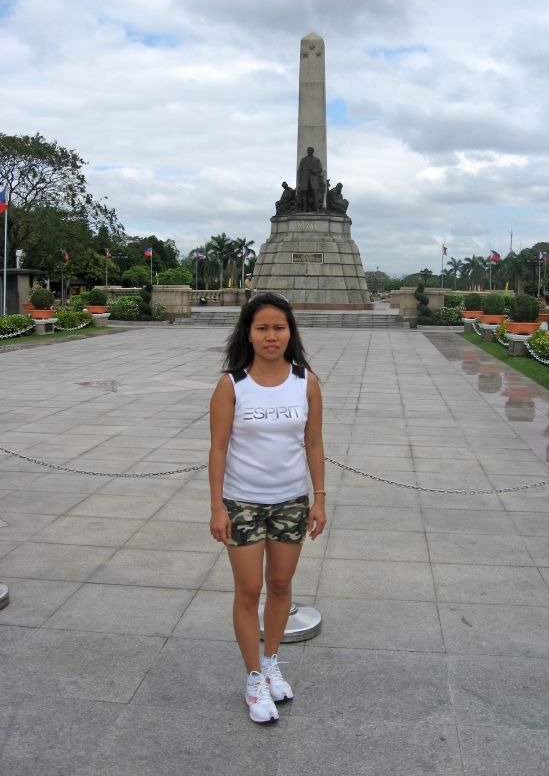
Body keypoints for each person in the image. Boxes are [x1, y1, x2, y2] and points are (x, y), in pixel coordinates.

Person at [209, 292, 326, 724]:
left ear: (290, 332)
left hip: (291, 502)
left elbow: (313, 442)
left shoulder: (306, 381)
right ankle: (253, 677)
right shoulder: (231, 384)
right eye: (262, 328)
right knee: (248, 591)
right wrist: (217, 506)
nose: (271, 335)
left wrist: (320, 499)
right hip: (241, 503)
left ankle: (272, 661)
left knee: (280, 585)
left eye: (279, 327)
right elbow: (218, 448)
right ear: (249, 334)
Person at [296, 147, 323, 212]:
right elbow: (300, 171)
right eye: (308, 150)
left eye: (310, 151)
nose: (309, 152)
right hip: (304, 179)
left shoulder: (316, 160)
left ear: (313, 152)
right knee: (304, 194)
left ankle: (317, 208)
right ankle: (304, 209)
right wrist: (299, 180)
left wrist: (314, 170)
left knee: (315, 193)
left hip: (313, 179)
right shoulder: (303, 160)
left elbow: (320, 169)